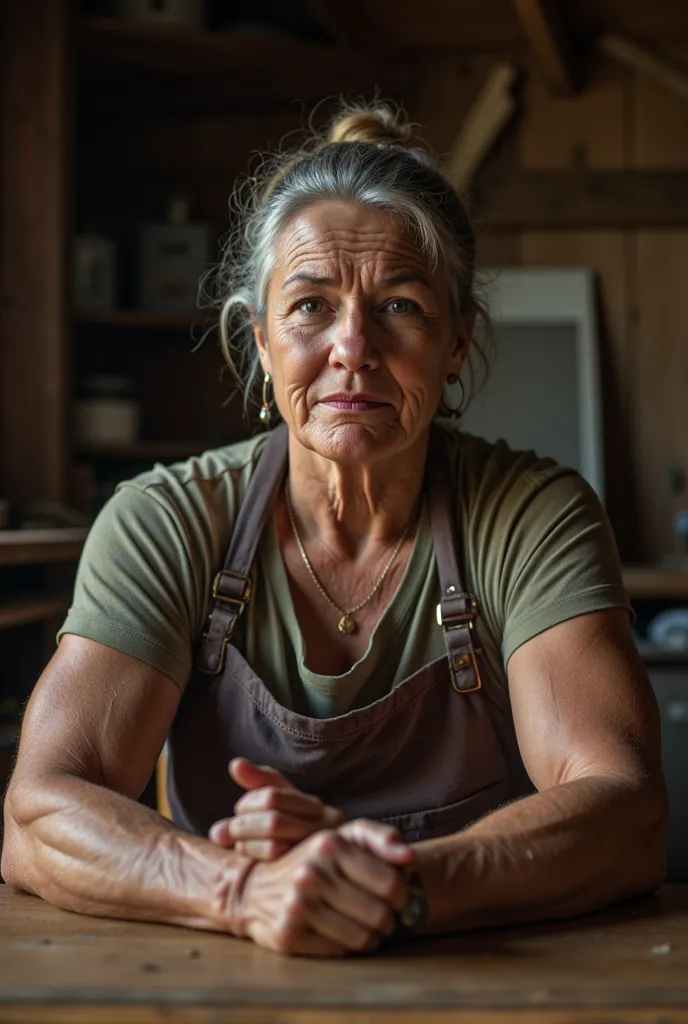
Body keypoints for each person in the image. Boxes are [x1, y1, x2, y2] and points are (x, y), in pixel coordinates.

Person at [2, 102, 667, 958]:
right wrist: (243, 890)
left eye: (399, 307)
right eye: (312, 306)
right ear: (263, 341)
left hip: (482, 976)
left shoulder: (533, 515)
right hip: (222, 974)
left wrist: (394, 881)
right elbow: (40, 812)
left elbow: (623, 808)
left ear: (457, 342)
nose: (352, 347)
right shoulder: (166, 520)